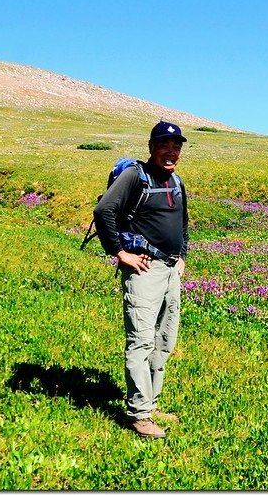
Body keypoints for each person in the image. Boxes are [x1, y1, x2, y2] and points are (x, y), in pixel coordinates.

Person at [93, 120, 189, 438]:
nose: (171, 151)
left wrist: (182, 256)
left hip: (170, 270)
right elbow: (104, 209)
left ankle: (152, 403)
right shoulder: (136, 175)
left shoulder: (176, 181)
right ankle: (139, 413)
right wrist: (120, 253)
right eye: (164, 145)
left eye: (176, 146)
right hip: (143, 270)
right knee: (141, 341)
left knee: (164, 341)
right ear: (151, 147)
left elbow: (183, 222)